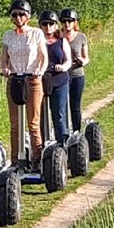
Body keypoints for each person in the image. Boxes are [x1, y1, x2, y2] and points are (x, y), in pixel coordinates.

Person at [0, 0, 48, 168]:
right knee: (15, 124)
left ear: (28, 16)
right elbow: (4, 58)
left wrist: (40, 70)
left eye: (22, 14)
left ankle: (37, 160)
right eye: (15, 15)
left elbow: (43, 56)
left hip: (32, 80)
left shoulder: (36, 33)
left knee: (33, 123)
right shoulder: (8, 35)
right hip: (14, 81)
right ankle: (15, 161)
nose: (18, 18)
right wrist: (5, 69)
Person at [38, 10, 73, 144]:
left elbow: (68, 60)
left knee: (59, 114)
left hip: (59, 80)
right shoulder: (37, 42)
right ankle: (42, 146)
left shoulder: (62, 41)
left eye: (51, 24)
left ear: (56, 26)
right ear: (40, 26)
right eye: (45, 24)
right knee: (40, 116)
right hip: (41, 81)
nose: (48, 27)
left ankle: (62, 143)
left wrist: (63, 67)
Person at [61, 8, 89, 132]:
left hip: (77, 75)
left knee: (75, 106)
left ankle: (77, 131)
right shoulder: (58, 37)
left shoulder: (81, 37)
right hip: (61, 76)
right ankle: (63, 132)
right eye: (64, 21)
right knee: (62, 106)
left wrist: (82, 61)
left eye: (70, 21)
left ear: (75, 22)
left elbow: (86, 58)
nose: (67, 24)